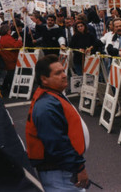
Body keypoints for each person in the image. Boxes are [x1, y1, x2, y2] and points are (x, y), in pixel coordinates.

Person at [26, 55, 90, 191]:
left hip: (63, 170)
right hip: (59, 173)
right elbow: (58, 144)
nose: (64, 75)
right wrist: (79, 167)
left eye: (63, 71)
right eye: (57, 73)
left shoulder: (52, 96)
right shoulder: (46, 106)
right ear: (44, 79)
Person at [0, 24, 23, 97]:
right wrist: (19, 41)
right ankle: (12, 88)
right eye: (9, 30)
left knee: (9, 74)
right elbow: (16, 46)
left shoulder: (0, 38)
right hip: (10, 58)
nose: (10, 31)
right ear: (7, 31)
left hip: (5, 58)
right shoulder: (7, 38)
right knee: (11, 75)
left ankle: (6, 87)